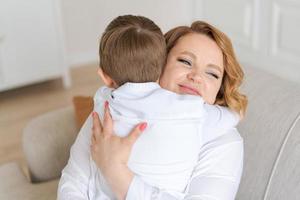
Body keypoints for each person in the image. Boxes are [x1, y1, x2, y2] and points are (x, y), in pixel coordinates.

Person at [58, 16, 247, 200]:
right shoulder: (112, 107)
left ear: (219, 91)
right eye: (185, 61)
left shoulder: (224, 142)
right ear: (158, 65)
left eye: (212, 74)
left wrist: (115, 170)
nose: (196, 76)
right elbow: (74, 179)